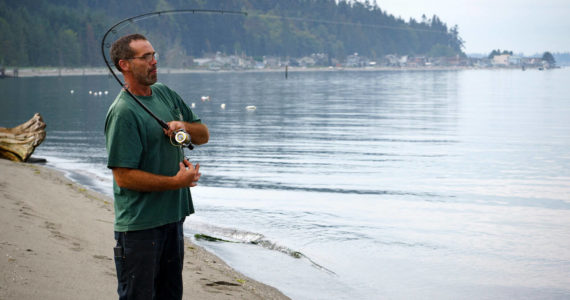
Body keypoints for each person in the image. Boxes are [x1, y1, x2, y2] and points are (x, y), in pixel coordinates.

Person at [104, 33, 209, 300]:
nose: (154, 62)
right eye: (145, 57)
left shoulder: (165, 94)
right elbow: (124, 177)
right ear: (124, 65)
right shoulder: (123, 112)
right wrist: (176, 182)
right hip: (140, 227)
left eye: (154, 55)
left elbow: (203, 135)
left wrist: (183, 126)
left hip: (173, 218)